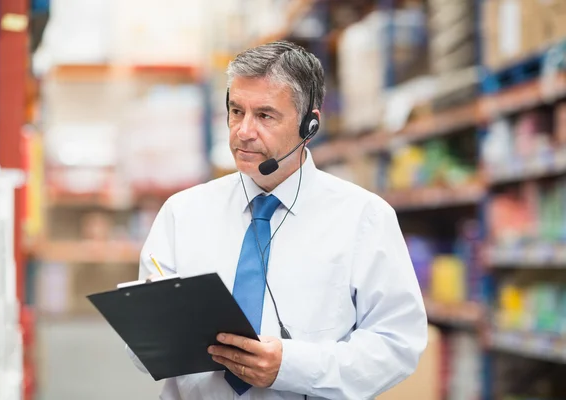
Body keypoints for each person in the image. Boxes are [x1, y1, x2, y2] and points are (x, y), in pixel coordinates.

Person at [127, 40, 428, 399]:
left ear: (309, 126)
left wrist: (291, 366)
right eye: (236, 111)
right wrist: (152, 336)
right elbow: (142, 353)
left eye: (265, 116)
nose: (243, 131)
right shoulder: (183, 213)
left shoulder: (364, 218)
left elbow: (397, 345)